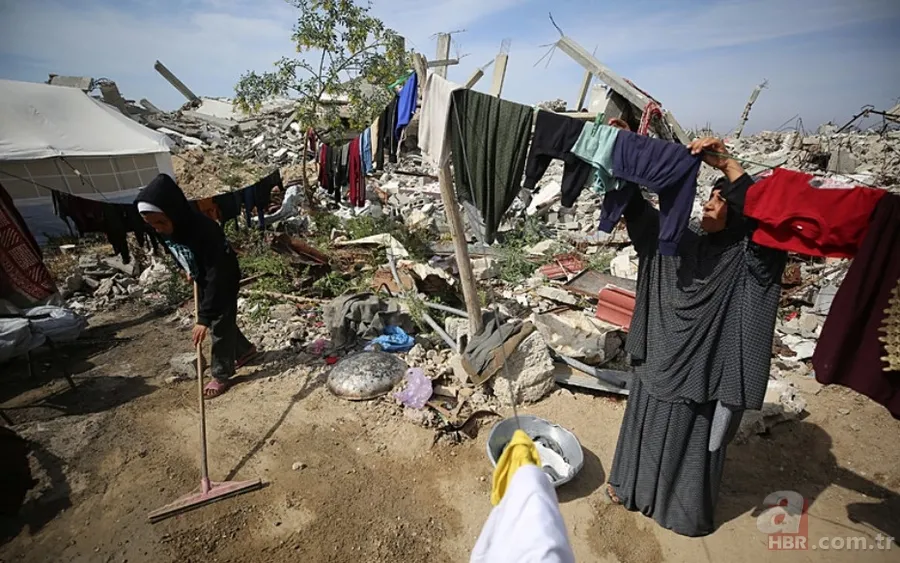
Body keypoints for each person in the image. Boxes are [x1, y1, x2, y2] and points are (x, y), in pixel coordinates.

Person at [603, 124, 787, 537]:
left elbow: (770, 225)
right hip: (657, 362)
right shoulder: (676, 239)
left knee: (689, 446)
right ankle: (629, 489)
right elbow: (636, 209)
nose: (710, 202)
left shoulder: (749, 259)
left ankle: (679, 513)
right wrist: (627, 146)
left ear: (738, 213)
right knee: (642, 432)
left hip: (702, 376)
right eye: (710, 194)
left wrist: (728, 165)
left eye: (722, 199)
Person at [135, 174, 256, 398]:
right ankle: (245, 350)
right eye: (151, 224)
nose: (157, 229)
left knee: (218, 322)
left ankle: (221, 374)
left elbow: (217, 276)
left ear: (174, 212)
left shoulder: (205, 231)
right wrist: (187, 267)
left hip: (223, 276)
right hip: (203, 274)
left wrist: (203, 320)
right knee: (221, 319)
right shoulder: (163, 229)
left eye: (160, 222)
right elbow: (175, 250)